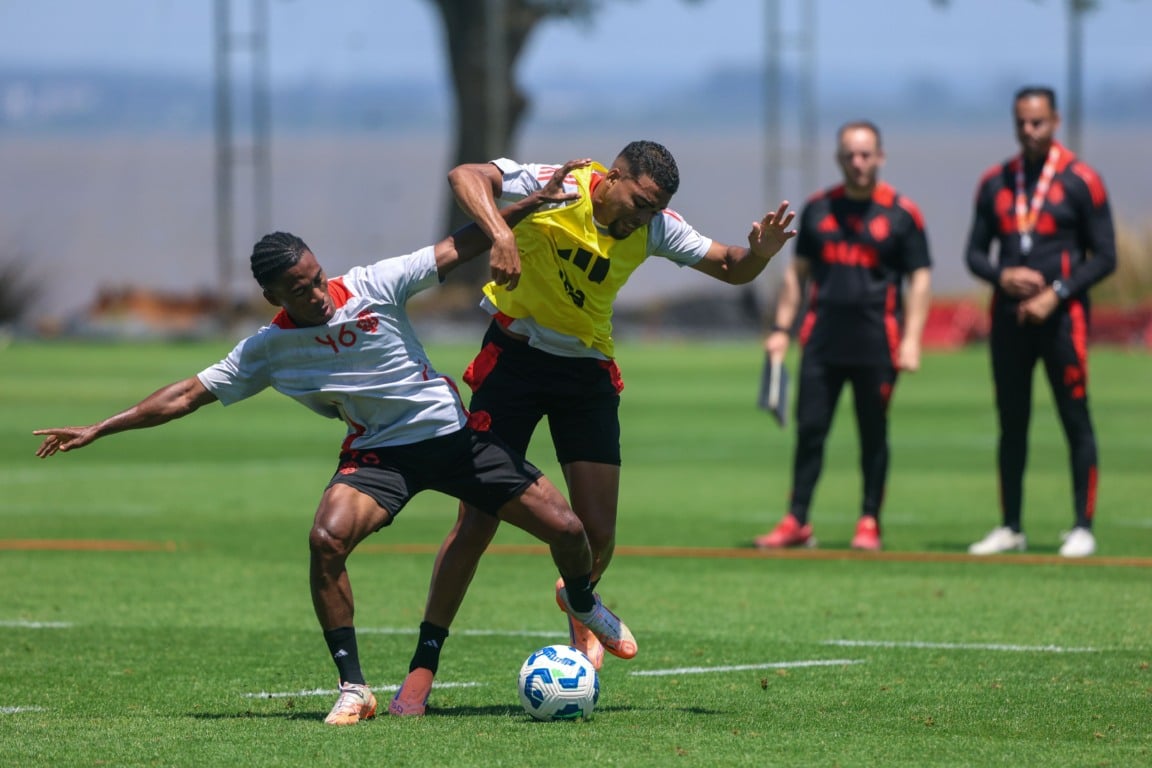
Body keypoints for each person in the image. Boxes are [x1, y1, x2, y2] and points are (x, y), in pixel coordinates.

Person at [31, 161, 637, 726]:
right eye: (300, 289)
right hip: (379, 458)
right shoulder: (267, 348)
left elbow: (458, 247)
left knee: (567, 530)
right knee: (326, 540)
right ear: (275, 298)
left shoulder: (374, 285)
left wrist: (526, 207)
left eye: (317, 278)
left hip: (453, 439)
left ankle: (582, 602)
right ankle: (355, 687)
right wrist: (100, 427)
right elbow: (186, 395)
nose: (318, 293)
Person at [389, 139, 797, 717]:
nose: (643, 217)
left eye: (654, 209)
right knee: (476, 520)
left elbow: (730, 265)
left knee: (597, 532)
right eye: (639, 201)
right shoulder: (556, 183)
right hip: (514, 359)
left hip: (585, 371)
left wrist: (760, 253)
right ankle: (423, 668)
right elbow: (465, 175)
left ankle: (575, 597)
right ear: (613, 177)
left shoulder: (654, 228)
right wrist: (503, 234)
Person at [753, 121, 932, 552]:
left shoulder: (902, 214)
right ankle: (798, 520)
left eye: (866, 154)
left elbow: (920, 279)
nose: (858, 162)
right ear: (839, 159)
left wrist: (911, 340)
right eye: (850, 155)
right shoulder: (817, 210)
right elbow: (797, 278)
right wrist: (781, 330)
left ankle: (869, 521)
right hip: (822, 341)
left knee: (873, 433)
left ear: (880, 157)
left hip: (878, 341)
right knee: (810, 430)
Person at [964, 86, 1116, 558]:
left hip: (1063, 319)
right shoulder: (996, 182)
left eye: (1038, 123)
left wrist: (1058, 294)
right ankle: (1011, 526)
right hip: (1009, 321)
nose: (1029, 131)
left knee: (1075, 419)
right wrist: (1001, 274)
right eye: (1022, 123)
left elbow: (1105, 257)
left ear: (1056, 121)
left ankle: (1082, 526)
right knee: (1012, 423)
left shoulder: (1081, 180)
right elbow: (973, 253)